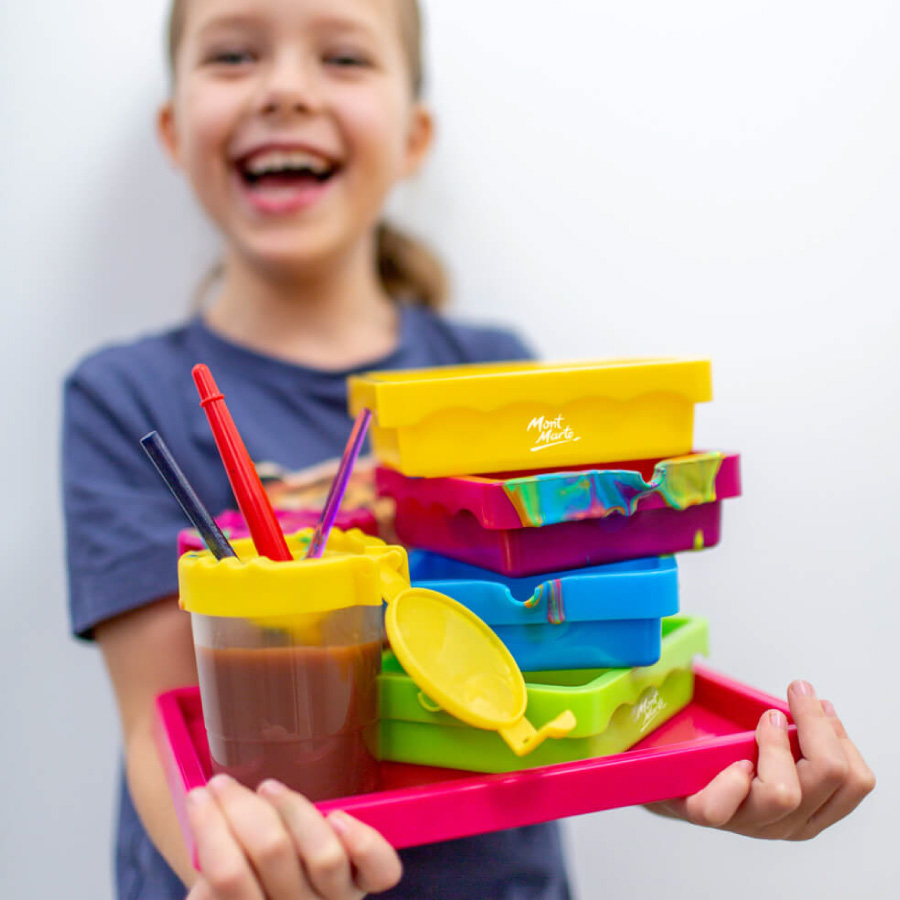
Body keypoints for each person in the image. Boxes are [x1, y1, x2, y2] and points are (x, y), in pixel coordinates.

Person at [61, 1, 875, 898]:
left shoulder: (498, 380)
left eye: (342, 57)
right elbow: (160, 727)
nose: (286, 89)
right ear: (174, 132)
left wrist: (671, 763)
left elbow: (567, 659)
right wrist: (233, 866)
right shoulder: (125, 395)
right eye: (233, 54)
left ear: (414, 137)